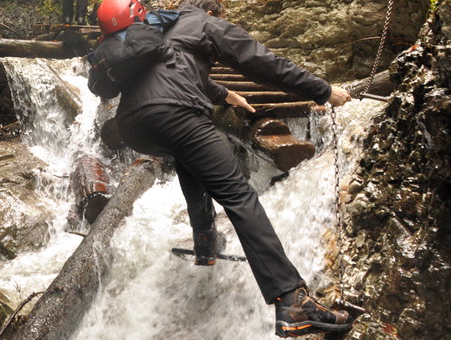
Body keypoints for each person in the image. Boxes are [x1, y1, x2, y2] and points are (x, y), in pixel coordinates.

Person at [93, 0, 355, 337]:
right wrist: (322, 91)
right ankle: (292, 301)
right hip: (175, 112)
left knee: (188, 157)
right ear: (213, 12)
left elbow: (175, 71)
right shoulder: (205, 23)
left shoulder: (153, 32)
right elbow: (260, 62)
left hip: (134, 126)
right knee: (239, 196)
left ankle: (205, 244)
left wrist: (226, 94)